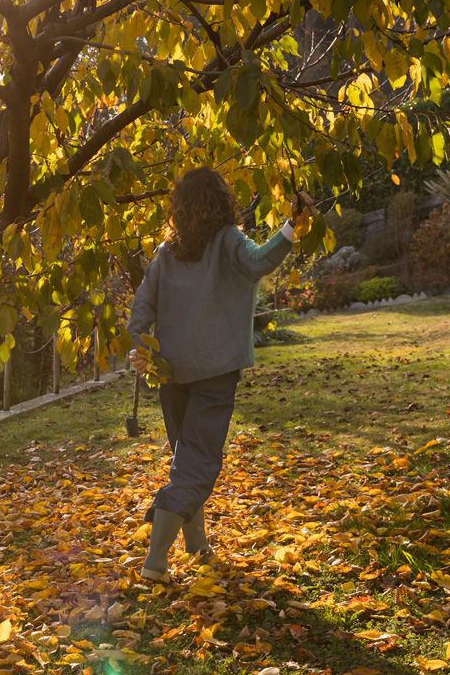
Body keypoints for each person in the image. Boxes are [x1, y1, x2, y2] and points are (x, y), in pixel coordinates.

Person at [126, 166, 316, 582]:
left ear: (179, 208)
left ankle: (196, 544)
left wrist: (141, 348)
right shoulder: (228, 240)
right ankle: (155, 561)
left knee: (186, 459)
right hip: (213, 372)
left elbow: (142, 307)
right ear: (221, 201)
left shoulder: (165, 252)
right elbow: (258, 262)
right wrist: (290, 228)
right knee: (197, 464)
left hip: (169, 372)